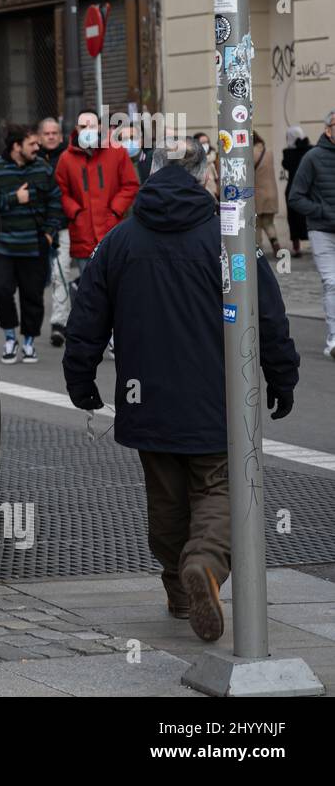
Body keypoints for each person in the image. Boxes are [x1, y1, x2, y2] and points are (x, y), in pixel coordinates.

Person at [64, 139, 299, 641]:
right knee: (221, 490)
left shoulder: (119, 241)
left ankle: (177, 587)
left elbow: (86, 317)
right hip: (218, 396)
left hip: (143, 398)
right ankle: (206, 565)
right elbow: (268, 315)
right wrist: (282, 375)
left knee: (166, 502)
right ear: (202, 179)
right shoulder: (229, 238)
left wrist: (80, 379)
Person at [54, 109, 139, 350]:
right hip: (82, 232)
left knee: (117, 286)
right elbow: (62, 191)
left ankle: (115, 334)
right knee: (90, 289)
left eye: (91, 125)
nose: (87, 130)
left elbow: (129, 185)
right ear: (76, 130)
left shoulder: (116, 152)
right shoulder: (66, 159)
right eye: (83, 126)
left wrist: (114, 211)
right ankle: (93, 335)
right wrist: (75, 212)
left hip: (112, 230)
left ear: (100, 128)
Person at [0, 125, 63, 364]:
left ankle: (28, 342)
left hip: (35, 245)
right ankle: (9, 337)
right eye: (32, 144)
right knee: (3, 291)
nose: (38, 147)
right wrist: (14, 198)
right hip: (3, 244)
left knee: (33, 295)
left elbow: (55, 201)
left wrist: (49, 233)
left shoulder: (42, 169)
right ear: (16, 146)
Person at [288, 110, 335, 360]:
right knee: (332, 282)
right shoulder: (313, 157)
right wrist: (322, 212)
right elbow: (296, 197)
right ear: (328, 129)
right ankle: (333, 340)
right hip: (322, 231)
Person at [37, 117, 70, 346]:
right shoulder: (33, 160)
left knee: (61, 275)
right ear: (40, 137)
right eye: (46, 133)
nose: (50, 136)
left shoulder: (69, 158)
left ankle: (59, 323)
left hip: (64, 226)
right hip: (38, 228)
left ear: (60, 136)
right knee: (38, 280)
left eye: (54, 133)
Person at [281, 125, 312, 257]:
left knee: (293, 218)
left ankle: (297, 247)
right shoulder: (310, 149)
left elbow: (286, 164)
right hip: (309, 188)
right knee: (309, 217)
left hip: (293, 188)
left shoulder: (288, 153)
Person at [252, 131, 282, 256]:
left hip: (258, 193)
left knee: (257, 223)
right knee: (269, 223)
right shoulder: (268, 151)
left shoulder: (250, 153)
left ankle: (257, 249)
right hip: (271, 192)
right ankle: (276, 246)